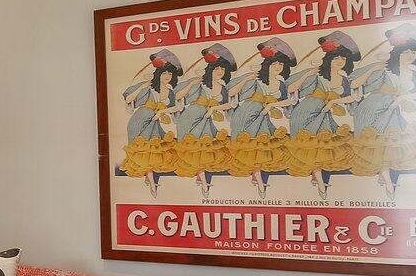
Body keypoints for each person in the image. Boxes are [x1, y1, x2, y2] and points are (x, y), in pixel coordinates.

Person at [350, 23, 416, 198]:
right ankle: (387, 180)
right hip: (373, 108)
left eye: (413, 52)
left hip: (393, 110)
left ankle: (384, 174)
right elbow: (355, 84)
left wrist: (409, 97)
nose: (410, 56)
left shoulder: (414, 72)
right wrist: (374, 68)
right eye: (406, 52)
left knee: (392, 142)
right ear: (398, 53)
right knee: (379, 141)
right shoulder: (385, 69)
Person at [285, 31, 361, 199]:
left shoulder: (343, 78)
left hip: (327, 112)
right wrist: (307, 73)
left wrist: (333, 102)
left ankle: (318, 175)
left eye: (342, 59)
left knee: (326, 144)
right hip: (308, 111)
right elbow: (291, 90)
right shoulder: (318, 75)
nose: (340, 62)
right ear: (329, 60)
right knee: (312, 144)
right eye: (336, 59)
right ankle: (319, 179)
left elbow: (351, 97)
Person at [224, 38, 297, 195]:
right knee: (252, 146)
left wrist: (272, 105)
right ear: (267, 65)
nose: (278, 67)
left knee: (263, 146)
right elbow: (231, 93)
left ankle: (258, 177)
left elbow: (287, 101)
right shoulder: (256, 79)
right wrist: (246, 78)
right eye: (274, 64)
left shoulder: (280, 83)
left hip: (264, 116)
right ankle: (259, 180)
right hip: (247, 114)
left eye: (280, 64)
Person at [171, 43, 238, 197]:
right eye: (216, 69)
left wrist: (215, 109)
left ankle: (203, 179)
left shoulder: (222, 87)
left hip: (208, 119)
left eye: (222, 69)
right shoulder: (200, 83)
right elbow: (179, 97)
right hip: (191, 117)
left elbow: (230, 104)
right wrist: (193, 83)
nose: (220, 72)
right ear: (210, 70)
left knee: (208, 147)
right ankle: (202, 180)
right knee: (197, 148)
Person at [117, 49, 184, 196]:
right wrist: (143, 86)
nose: (167, 76)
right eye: (165, 73)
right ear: (158, 74)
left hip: (154, 122)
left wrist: (161, 112)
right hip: (140, 120)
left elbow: (175, 108)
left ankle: (150, 178)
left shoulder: (170, 91)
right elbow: (129, 100)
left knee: (155, 150)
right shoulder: (148, 87)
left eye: (170, 73)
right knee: (144, 150)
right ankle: (152, 182)